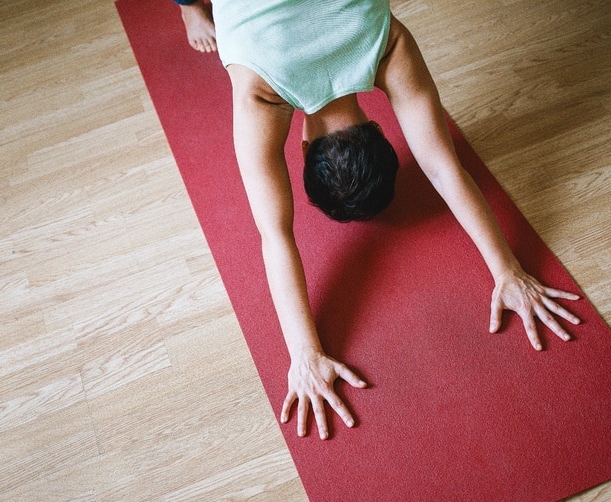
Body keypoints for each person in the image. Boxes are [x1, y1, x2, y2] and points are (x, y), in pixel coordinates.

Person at [176, 0, 581, 440]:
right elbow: (272, 234)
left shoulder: (388, 46)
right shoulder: (261, 93)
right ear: (304, 149)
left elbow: (444, 167)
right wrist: (302, 354)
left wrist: (509, 270)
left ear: (382, 132)